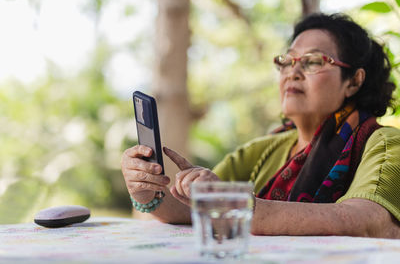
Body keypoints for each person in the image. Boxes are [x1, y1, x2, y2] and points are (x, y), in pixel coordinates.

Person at [121, 13, 400, 238]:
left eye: (313, 61)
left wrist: (237, 205)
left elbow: (368, 222)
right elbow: (195, 209)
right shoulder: (266, 148)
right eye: (287, 61)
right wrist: (148, 193)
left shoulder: (384, 144)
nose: (293, 72)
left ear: (354, 81)